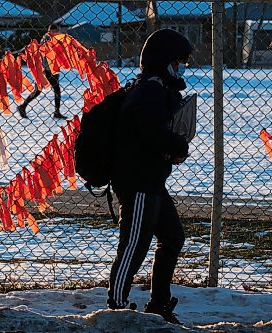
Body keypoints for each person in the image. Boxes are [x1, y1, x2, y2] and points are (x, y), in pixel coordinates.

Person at [107, 29, 193, 324]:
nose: (180, 67)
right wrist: (178, 145)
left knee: (172, 237)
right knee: (134, 245)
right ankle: (116, 306)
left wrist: (174, 148)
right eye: (177, 61)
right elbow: (153, 134)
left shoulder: (158, 89)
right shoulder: (150, 91)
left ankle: (158, 304)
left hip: (151, 179)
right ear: (163, 61)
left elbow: (157, 135)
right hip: (138, 181)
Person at [17, 24, 67, 120]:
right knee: (53, 90)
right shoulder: (47, 39)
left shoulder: (54, 38)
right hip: (47, 68)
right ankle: (56, 112)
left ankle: (23, 106)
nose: (58, 33)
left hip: (52, 68)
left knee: (40, 90)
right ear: (51, 31)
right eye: (56, 31)